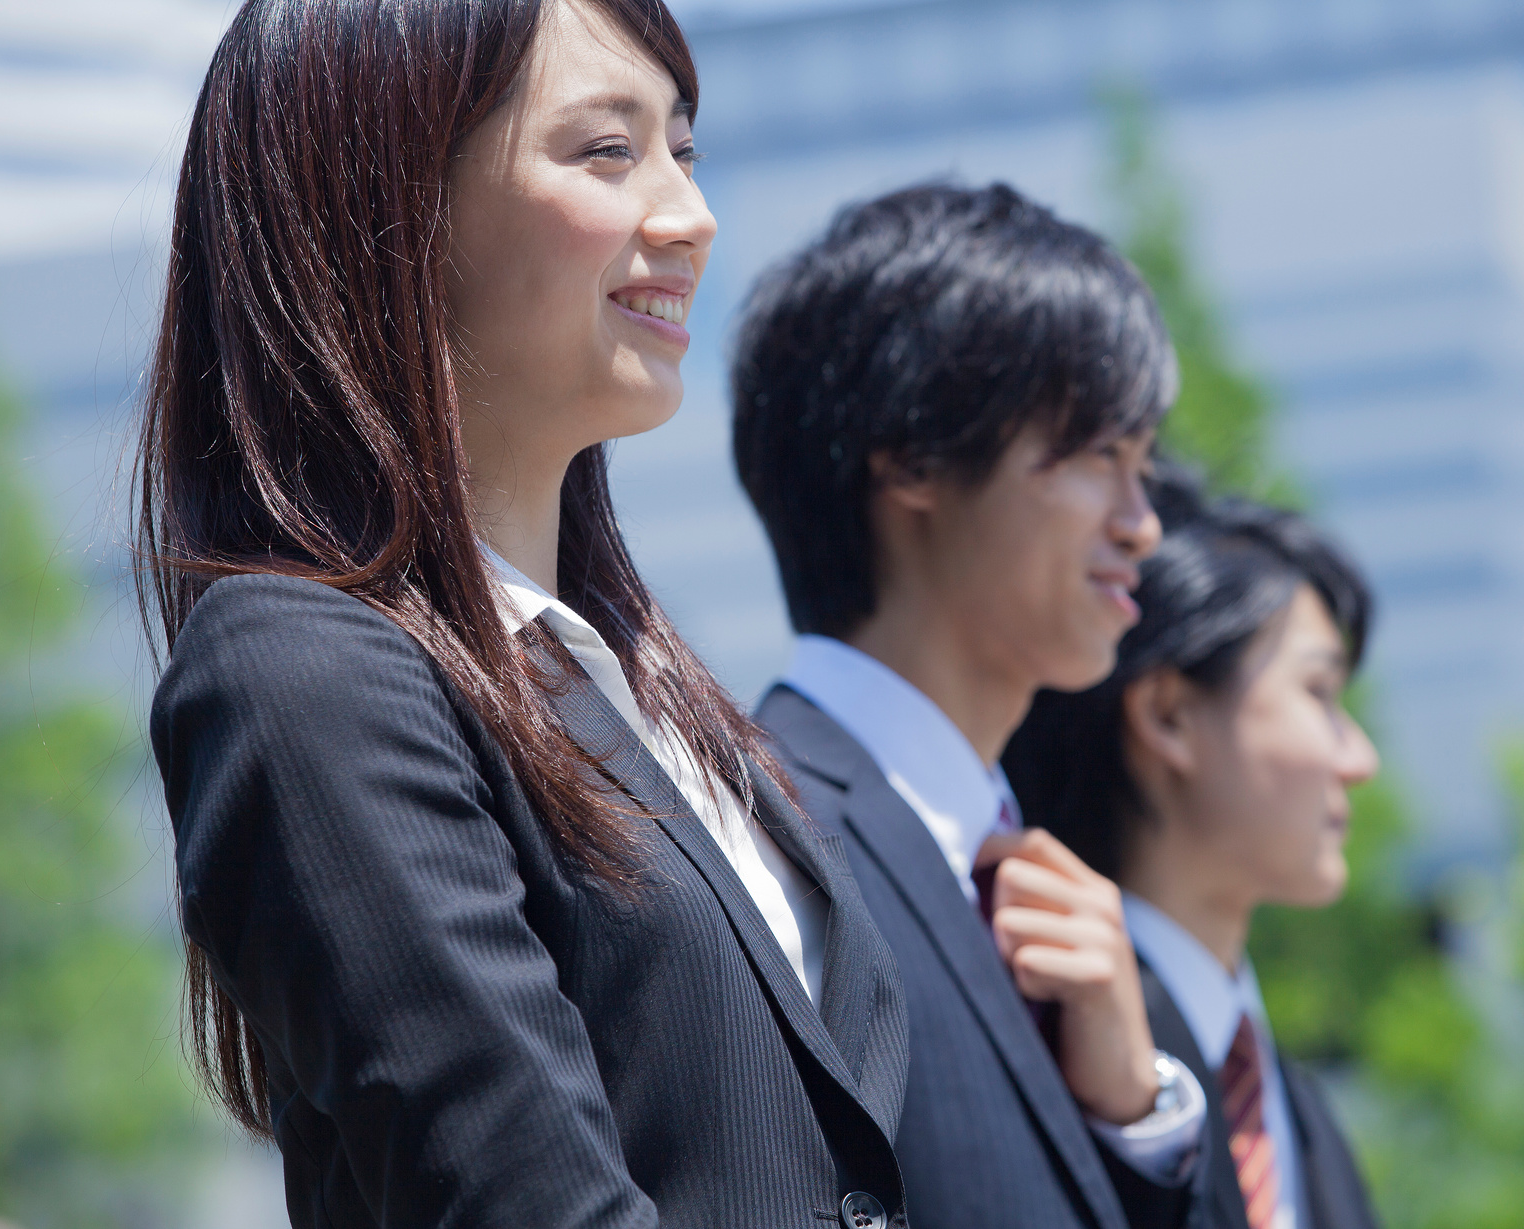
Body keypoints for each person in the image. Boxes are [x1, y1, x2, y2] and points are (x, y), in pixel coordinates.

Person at [138, 2, 908, 1225]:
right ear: (383, 200)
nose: (690, 215)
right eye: (607, 151)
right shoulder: (305, 668)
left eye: (683, 150)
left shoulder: (626, 671)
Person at [734, 183, 1206, 1229]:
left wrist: (1136, 1113)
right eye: (1097, 456)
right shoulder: (749, 837)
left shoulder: (1065, 896)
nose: (1143, 525)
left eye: (1145, 464)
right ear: (911, 454)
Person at [1004, 490, 1386, 1229]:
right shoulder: (1045, 1035)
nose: (1359, 758)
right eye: (1320, 692)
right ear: (1168, 714)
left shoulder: (1299, 1107)